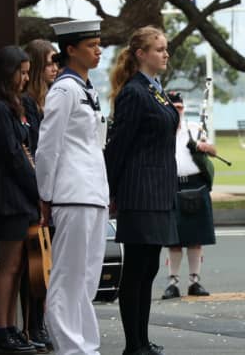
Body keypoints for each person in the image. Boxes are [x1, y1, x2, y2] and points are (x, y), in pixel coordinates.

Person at [36, 20, 109, 355]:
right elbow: (48, 147)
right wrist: (45, 195)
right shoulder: (64, 90)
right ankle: (69, 346)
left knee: (87, 277)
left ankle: (86, 345)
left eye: (99, 44)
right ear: (71, 50)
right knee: (68, 276)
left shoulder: (86, 88)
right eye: (92, 44)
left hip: (92, 192)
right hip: (72, 192)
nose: (98, 50)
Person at [105, 26, 179, 355]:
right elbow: (119, 146)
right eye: (159, 49)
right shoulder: (134, 92)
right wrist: (110, 189)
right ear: (141, 54)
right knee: (136, 269)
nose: (165, 54)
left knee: (148, 268)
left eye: (165, 49)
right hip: (140, 190)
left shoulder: (155, 89)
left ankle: (142, 339)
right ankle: (133, 344)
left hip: (158, 189)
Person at [0, 46, 40, 354]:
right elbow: (15, 155)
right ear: (7, 72)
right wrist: (37, 188)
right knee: (8, 264)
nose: (26, 79)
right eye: (22, 72)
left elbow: (28, 147)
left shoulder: (15, 105)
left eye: (28, 73)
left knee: (17, 267)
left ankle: (12, 328)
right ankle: (0, 330)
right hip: (7, 197)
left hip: (19, 197)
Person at [18, 39, 57, 352]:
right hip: (34, 192)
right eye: (49, 63)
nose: (54, 68)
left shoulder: (48, 100)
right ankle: (32, 326)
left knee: (46, 263)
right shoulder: (28, 103)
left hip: (52, 190)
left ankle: (39, 323)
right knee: (33, 264)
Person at [161, 91, 216, 299]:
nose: (177, 111)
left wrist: (203, 146)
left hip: (195, 184)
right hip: (171, 184)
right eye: (173, 107)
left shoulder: (194, 128)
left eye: (180, 108)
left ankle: (195, 281)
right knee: (173, 240)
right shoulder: (161, 129)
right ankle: (172, 282)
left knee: (196, 239)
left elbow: (213, 150)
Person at [22, 39, 58, 154]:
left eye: (56, 63)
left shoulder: (53, 95)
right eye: (49, 64)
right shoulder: (26, 100)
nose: (55, 69)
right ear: (36, 66)